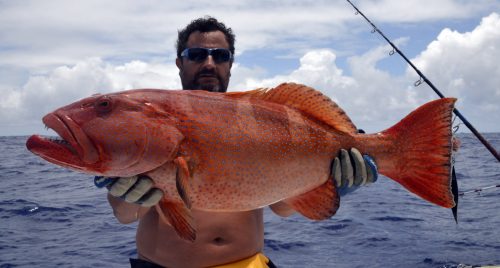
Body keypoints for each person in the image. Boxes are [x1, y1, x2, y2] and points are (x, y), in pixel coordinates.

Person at [95, 16, 377, 268]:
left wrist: (326, 182)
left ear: (230, 64)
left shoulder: (257, 119)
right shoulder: (150, 121)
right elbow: (125, 214)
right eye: (197, 55)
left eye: (220, 55)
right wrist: (123, 191)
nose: (209, 63)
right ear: (180, 63)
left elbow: (281, 207)